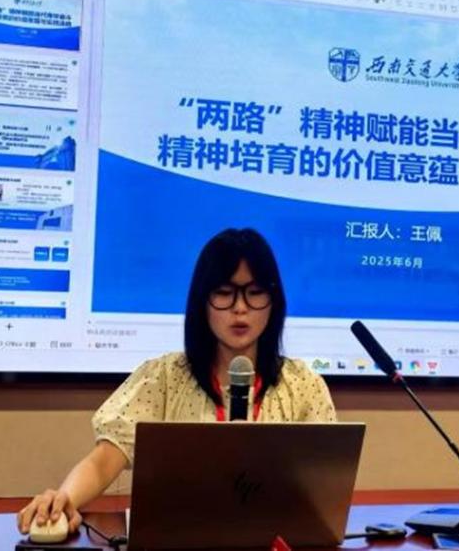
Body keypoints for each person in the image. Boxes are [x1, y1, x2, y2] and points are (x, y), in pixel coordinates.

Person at [17, 228, 336, 534]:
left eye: (254, 293)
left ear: (274, 302)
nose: (240, 308)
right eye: (224, 293)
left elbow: (325, 484)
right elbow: (104, 461)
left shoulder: (303, 385)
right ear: (202, 302)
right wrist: (64, 499)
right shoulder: (164, 378)